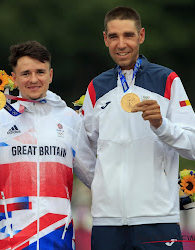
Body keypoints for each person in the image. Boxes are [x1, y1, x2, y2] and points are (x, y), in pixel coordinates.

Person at [0, 40, 95, 250]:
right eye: (25, 74)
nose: (33, 79)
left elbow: (95, 178)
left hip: (57, 239)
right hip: (9, 241)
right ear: (14, 79)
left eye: (40, 72)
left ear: (50, 75)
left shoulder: (71, 120)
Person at [81, 6, 195, 250]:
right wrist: (104, 185)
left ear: (141, 36)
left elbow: (193, 147)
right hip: (107, 222)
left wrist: (161, 125)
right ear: (105, 39)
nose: (121, 44)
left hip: (158, 219)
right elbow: (82, 150)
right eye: (113, 36)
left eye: (128, 35)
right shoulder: (96, 88)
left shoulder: (167, 80)